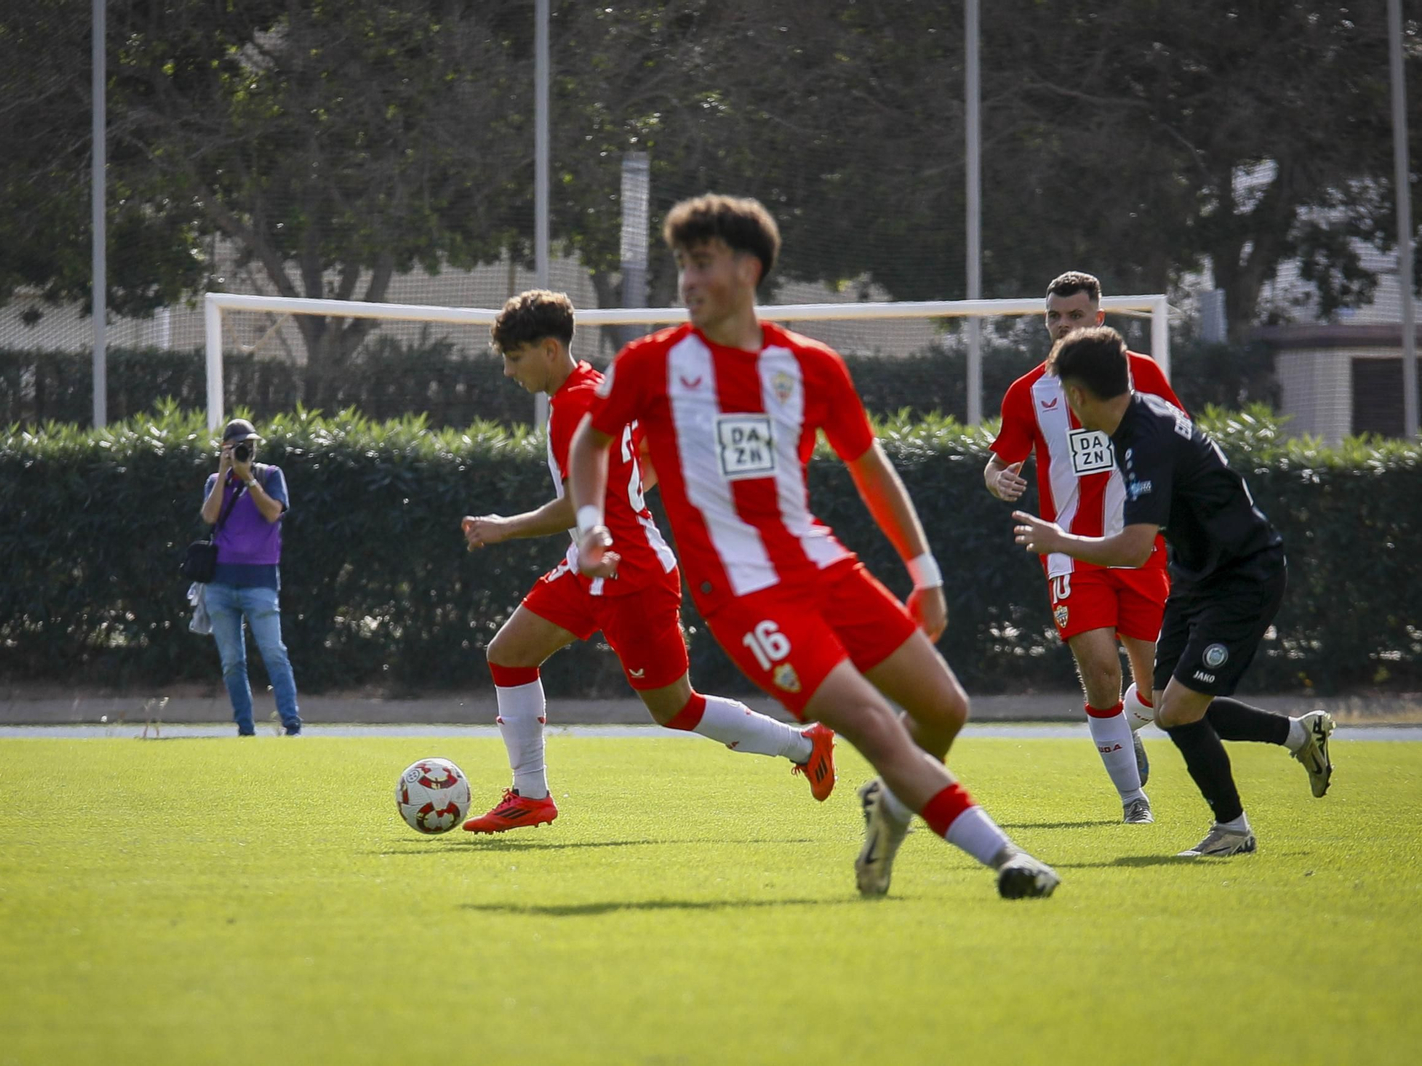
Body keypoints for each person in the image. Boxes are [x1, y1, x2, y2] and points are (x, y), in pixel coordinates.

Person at [568, 194, 1059, 898]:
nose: (688, 281)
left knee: (946, 710)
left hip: (823, 567)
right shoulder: (653, 363)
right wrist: (591, 527)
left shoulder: (811, 367)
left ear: (748, 269)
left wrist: (924, 572)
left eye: (701, 263)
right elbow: (591, 441)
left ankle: (887, 823)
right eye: (681, 265)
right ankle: (1008, 859)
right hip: (742, 596)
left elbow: (870, 468)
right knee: (873, 727)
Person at [459, 289, 837, 834]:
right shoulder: (594, 390)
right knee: (509, 655)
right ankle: (531, 795)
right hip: (593, 562)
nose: (507, 371)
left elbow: (577, 501)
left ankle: (803, 744)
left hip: (630, 574)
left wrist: (504, 527)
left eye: (514, 358)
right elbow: (647, 461)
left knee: (676, 709)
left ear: (548, 349)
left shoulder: (575, 404)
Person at [1012, 326, 1334, 857]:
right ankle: (1299, 737)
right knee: (1166, 705)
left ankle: (1233, 831)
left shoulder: (1146, 437)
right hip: (1198, 576)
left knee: (1180, 711)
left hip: (1242, 576)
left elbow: (1136, 548)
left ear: (1078, 395)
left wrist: (1058, 540)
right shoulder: (1133, 424)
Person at [984, 271, 1183, 825]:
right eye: (1055, 316)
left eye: (1075, 315)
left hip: (1138, 546)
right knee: (1099, 671)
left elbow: (1181, 439)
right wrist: (997, 479)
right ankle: (1132, 802)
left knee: (1159, 695)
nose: (1064, 325)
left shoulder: (1141, 374)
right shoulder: (1028, 391)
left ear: (1100, 318)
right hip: (1068, 548)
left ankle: (1124, 726)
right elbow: (999, 462)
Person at [199, 418, 302, 737]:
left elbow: (273, 513)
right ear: (225, 448)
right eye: (240, 445)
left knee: (274, 652)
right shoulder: (216, 480)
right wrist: (224, 473)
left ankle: (291, 723)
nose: (248, 449)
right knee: (232, 660)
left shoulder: (270, 475)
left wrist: (248, 480)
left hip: (260, 581)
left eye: (251, 444)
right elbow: (209, 516)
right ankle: (245, 727)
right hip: (220, 582)